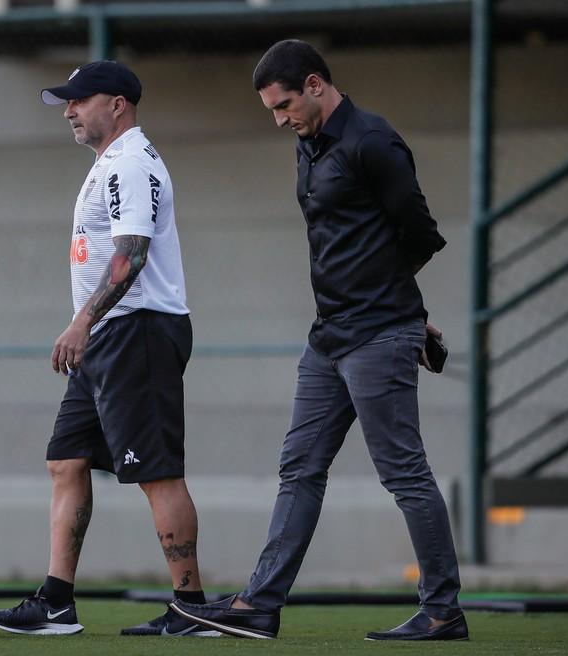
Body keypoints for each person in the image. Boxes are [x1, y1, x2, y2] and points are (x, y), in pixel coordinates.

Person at [170, 40, 468, 641]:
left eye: (284, 106)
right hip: (329, 337)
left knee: (403, 473)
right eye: (272, 111)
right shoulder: (308, 145)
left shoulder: (373, 142)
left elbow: (420, 235)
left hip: (377, 334)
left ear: (314, 84)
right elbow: (347, 242)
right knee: (299, 469)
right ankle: (261, 605)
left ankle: (442, 611)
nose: (280, 119)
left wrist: (400, 311)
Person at [0, 60, 218, 638]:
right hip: (110, 335)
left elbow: (131, 253)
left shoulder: (131, 163)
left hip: (134, 330)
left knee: (155, 473)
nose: (68, 109)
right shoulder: (112, 163)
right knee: (65, 461)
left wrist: (82, 321)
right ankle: (56, 602)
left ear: (117, 105)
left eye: (79, 99)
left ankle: (192, 607)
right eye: (67, 101)